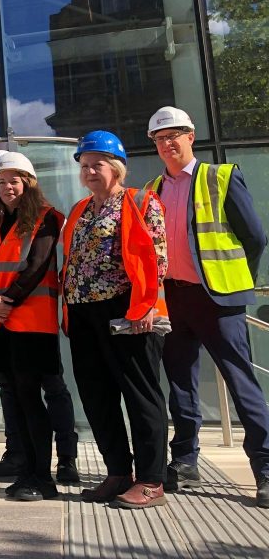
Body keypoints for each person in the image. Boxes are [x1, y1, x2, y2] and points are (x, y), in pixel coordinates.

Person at [143, 106, 269, 508]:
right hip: (174, 298)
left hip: (218, 299)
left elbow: (255, 237)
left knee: (241, 383)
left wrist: (233, 283)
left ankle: (266, 470)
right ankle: (184, 461)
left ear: (191, 136)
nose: (167, 144)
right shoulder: (152, 189)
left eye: (173, 135)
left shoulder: (221, 177)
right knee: (180, 383)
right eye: (160, 139)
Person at [63, 131, 169, 509]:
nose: (90, 171)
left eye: (98, 164)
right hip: (82, 312)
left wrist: (144, 308)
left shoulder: (141, 201)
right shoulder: (79, 210)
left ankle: (153, 479)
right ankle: (118, 472)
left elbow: (157, 260)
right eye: (85, 165)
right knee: (96, 394)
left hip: (127, 311)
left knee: (140, 394)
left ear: (117, 168)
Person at [0, 154, 79, 485]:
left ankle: (64, 461)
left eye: (12, 180)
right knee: (15, 394)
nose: (5, 186)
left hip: (32, 321)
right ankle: (24, 460)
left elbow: (36, 265)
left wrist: (5, 300)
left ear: (28, 182)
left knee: (47, 391)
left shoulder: (46, 218)